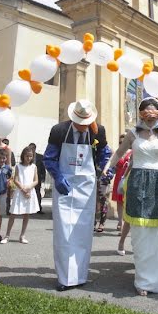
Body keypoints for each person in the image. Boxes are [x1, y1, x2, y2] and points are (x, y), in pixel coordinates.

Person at [107, 98, 158, 296]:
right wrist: (108, 168)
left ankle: (156, 278)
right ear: (141, 114)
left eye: (153, 112)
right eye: (146, 112)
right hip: (137, 182)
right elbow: (119, 154)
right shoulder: (132, 133)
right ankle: (142, 280)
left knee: (156, 233)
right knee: (139, 233)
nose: (150, 116)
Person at [43, 99, 110, 291]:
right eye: (80, 124)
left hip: (86, 187)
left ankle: (80, 276)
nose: (83, 127)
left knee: (82, 232)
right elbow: (49, 157)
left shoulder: (98, 131)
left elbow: (105, 153)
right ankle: (65, 278)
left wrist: (106, 171)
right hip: (64, 185)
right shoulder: (59, 131)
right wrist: (57, 177)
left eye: (86, 124)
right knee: (64, 231)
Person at [5, 146, 39, 243]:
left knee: (26, 214)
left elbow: (36, 180)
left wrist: (29, 188)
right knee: (13, 213)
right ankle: (7, 235)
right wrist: (23, 188)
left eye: (31, 156)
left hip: (29, 191)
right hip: (20, 192)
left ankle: (22, 235)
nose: (29, 158)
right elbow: (15, 179)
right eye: (27, 156)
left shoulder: (34, 167)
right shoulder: (18, 166)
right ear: (23, 156)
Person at [111, 139, 133, 255]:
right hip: (120, 179)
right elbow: (112, 165)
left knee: (127, 203)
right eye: (120, 142)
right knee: (119, 202)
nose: (121, 143)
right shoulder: (119, 152)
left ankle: (124, 223)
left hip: (128, 179)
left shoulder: (133, 151)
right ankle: (120, 222)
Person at [28, 142, 46, 214]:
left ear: (35, 149)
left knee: (37, 192)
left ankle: (38, 208)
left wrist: (43, 177)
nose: (31, 150)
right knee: (29, 192)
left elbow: (43, 168)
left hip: (37, 177)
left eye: (32, 148)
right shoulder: (27, 156)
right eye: (30, 148)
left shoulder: (40, 157)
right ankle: (29, 208)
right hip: (28, 177)